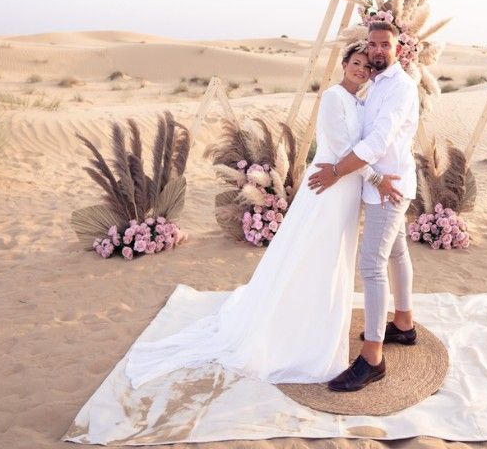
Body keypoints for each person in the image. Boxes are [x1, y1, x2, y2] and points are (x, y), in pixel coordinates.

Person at [124, 41, 397, 387]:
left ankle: (322, 319)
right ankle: (301, 332)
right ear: (344, 64)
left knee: (332, 257)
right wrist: (376, 179)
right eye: (356, 62)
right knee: (316, 254)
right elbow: (344, 148)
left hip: (345, 189)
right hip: (329, 186)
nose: (361, 69)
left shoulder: (360, 101)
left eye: (367, 66)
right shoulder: (333, 98)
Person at [307, 20, 421, 392]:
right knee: (397, 252)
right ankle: (403, 324)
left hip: (388, 187)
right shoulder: (375, 83)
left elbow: (377, 142)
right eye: (373, 44)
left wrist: (336, 172)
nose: (377, 50)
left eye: (385, 44)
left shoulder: (400, 87)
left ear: (398, 48)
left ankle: (372, 358)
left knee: (371, 265)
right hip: (379, 184)